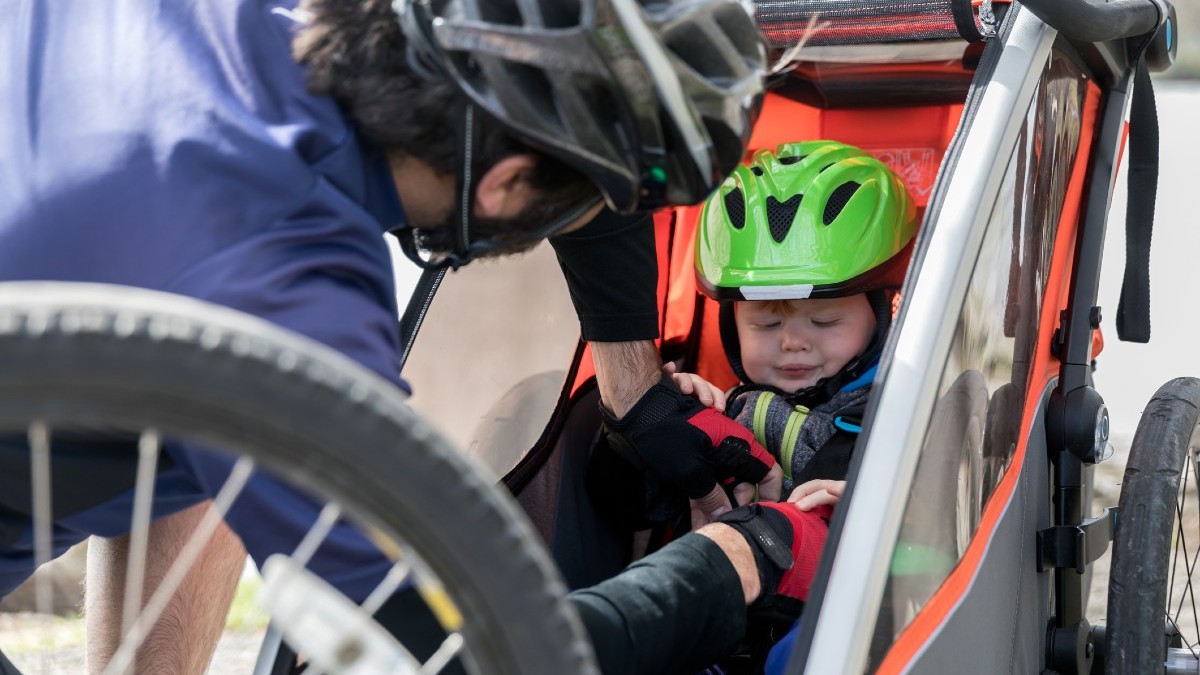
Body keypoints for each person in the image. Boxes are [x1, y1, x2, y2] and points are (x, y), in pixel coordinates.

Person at [0, 0, 783, 672]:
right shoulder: (302, 300)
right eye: (586, 205)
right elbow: (452, 648)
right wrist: (722, 568)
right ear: (507, 183)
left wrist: (634, 387)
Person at [667, 139, 919, 672]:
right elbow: (616, 503)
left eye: (824, 321)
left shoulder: (906, 412)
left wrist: (884, 511)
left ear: (884, 310)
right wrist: (676, 414)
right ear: (730, 329)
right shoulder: (723, 402)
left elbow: (954, 531)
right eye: (765, 323)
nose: (793, 343)